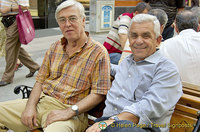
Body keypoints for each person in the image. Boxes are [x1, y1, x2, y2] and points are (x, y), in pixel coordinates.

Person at [0, 0, 111, 132]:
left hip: (71, 113)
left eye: (72, 18)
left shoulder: (98, 52)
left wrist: (69, 112)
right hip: (42, 103)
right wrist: (30, 106)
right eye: (62, 20)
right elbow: (39, 81)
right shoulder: (55, 47)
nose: (67, 24)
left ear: (83, 20)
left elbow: (99, 93)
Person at [86, 14, 182, 132]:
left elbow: (148, 107)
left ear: (157, 40)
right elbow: (115, 69)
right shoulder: (127, 62)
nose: (139, 41)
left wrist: (112, 121)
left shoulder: (166, 69)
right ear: (129, 39)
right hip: (107, 123)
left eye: (146, 36)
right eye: (134, 36)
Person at [0, 0, 40, 87]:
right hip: (7, 21)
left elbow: (25, 6)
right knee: (16, 48)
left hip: (16, 21)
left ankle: (7, 77)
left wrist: (8, 9)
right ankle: (35, 67)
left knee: (9, 48)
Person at [160, 10, 200, 86]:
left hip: (181, 95)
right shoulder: (166, 45)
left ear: (176, 29)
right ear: (198, 27)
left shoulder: (165, 46)